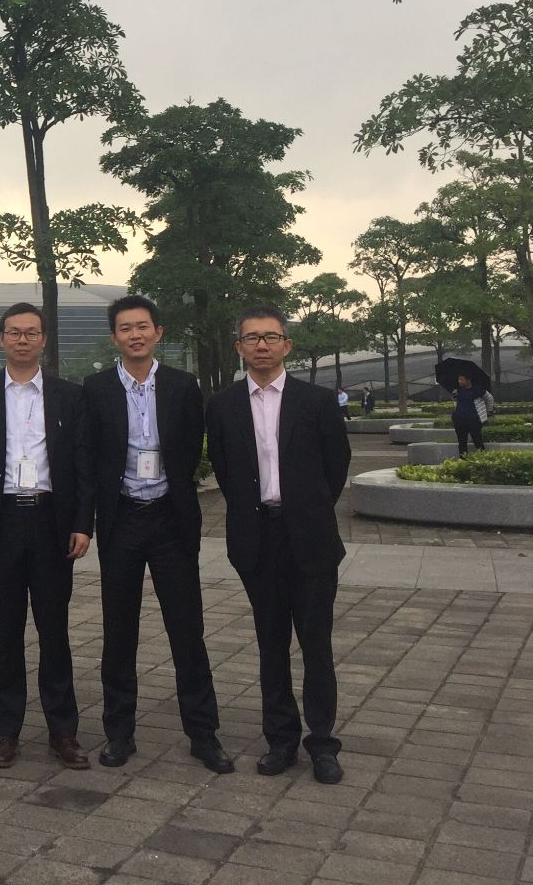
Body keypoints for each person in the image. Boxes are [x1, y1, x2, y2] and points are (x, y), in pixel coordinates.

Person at [79, 296, 230, 774]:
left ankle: (203, 734)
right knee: (118, 632)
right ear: (114, 337)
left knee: (187, 630)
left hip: (171, 519)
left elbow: (191, 452)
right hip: (121, 518)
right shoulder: (96, 389)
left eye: (143, 326)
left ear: (158, 333)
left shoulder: (183, 386)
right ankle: (119, 734)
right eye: (125, 328)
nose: (135, 335)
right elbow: (87, 459)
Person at [205, 304, 351, 786]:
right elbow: (225, 469)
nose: (262, 345)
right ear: (239, 347)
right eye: (252, 337)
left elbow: (336, 467)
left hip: (309, 538)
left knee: (316, 643)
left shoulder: (317, 402)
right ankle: (281, 740)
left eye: (271, 337)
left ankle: (322, 742)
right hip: (257, 538)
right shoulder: (223, 406)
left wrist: (307, 509)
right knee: (271, 644)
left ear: (287, 345)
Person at [0, 301, 92, 770]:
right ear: (2, 339)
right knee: (6, 632)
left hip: (52, 522)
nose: (22, 339)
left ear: (43, 340)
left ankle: (63, 733)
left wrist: (82, 524)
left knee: (54, 631)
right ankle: (6, 732)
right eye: (14, 332)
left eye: (31, 332)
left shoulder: (68, 395)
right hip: (3, 522)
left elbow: (82, 464)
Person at [452, 374, 488, 456]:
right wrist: (454, 396)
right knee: (462, 442)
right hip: (460, 421)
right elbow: (457, 403)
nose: (459, 381)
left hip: (474, 420)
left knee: (477, 440)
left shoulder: (478, 390)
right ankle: (463, 460)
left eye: (462, 379)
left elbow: (489, 398)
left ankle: (483, 458)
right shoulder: (459, 391)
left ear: (468, 380)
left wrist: (489, 411)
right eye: (459, 379)